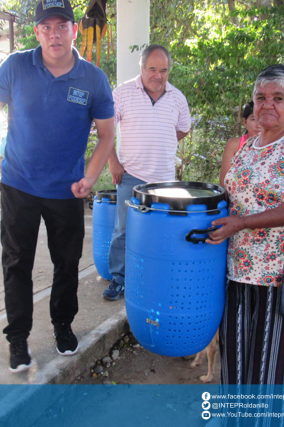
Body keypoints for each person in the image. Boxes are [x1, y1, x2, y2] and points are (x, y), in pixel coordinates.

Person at [0, 0, 115, 372]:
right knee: (16, 263)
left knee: (67, 262)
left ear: (74, 29)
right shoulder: (16, 67)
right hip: (18, 185)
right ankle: (18, 340)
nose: (54, 34)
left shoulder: (93, 79)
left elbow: (106, 136)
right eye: (46, 26)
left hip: (67, 190)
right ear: (37, 31)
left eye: (62, 25)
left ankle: (62, 324)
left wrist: (90, 176)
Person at [206, 64, 284, 427]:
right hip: (236, 268)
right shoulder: (249, 146)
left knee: (269, 360)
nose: (267, 105)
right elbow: (233, 198)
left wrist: (240, 224)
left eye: (278, 98)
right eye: (261, 98)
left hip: (277, 274)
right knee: (236, 352)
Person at [102, 44, 191, 301]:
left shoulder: (177, 97)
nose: (158, 75)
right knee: (123, 229)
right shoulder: (122, 93)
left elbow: (183, 128)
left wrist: (162, 139)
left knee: (161, 230)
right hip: (131, 174)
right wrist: (113, 162)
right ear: (142, 68)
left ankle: (154, 277)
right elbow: (106, 130)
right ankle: (119, 279)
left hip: (165, 179)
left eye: (163, 70)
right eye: (152, 69)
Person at [219, 101, 261, 184]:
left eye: (263, 119)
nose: (258, 125)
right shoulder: (234, 145)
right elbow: (224, 183)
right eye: (254, 119)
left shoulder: (279, 146)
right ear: (245, 122)